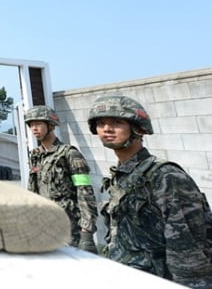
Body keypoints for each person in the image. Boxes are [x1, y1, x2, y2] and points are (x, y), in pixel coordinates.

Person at [88, 95, 212, 287]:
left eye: (117, 122)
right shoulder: (121, 176)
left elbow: (189, 246)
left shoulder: (165, 176)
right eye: (101, 123)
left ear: (138, 128)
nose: (106, 129)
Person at [25, 105, 99, 253]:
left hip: (69, 226)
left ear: (51, 125)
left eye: (38, 123)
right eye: (31, 124)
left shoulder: (69, 154)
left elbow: (84, 190)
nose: (34, 128)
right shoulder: (35, 155)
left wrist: (87, 230)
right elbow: (33, 190)